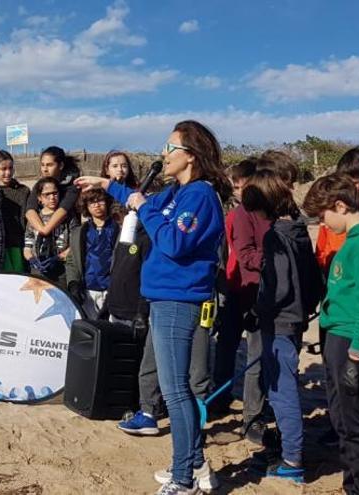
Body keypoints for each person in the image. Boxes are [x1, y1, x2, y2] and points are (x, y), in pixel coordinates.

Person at [76, 120, 229, 494]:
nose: (163, 153)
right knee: (175, 387)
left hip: (180, 301)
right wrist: (105, 185)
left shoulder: (200, 196)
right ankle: (196, 465)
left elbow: (175, 242)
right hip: (162, 298)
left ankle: (183, 479)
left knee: (175, 390)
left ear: (190, 155)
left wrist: (145, 207)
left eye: (170, 147)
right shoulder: (176, 192)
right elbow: (137, 202)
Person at [301, 174, 359, 495]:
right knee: (346, 423)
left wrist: (357, 353)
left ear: (340, 205)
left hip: (354, 342)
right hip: (341, 336)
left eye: (324, 216)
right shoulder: (355, 242)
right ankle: (354, 485)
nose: (323, 225)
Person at [242, 169, 323, 482]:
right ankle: (290, 451)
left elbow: (279, 287)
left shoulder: (277, 235)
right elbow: (313, 282)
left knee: (281, 393)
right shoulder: (299, 229)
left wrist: (258, 311)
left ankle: (292, 460)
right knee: (283, 388)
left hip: (280, 323)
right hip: (295, 318)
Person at [211, 158, 271, 445]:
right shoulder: (236, 215)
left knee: (256, 355)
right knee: (226, 346)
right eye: (234, 187)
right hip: (236, 288)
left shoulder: (267, 214)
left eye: (241, 185)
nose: (238, 191)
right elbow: (227, 252)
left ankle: (252, 415)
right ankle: (220, 398)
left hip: (261, 292)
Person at [315, 148, 359, 273]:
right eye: (344, 183)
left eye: (355, 183)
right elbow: (321, 249)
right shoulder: (334, 208)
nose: (349, 189)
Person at [66, 188, 118, 317]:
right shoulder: (79, 232)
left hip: (112, 291)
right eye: (91, 202)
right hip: (88, 291)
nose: (96, 205)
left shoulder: (119, 229)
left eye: (100, 201)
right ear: (86, 206)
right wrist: (73, 283)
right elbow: (72, 261)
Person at [24, 177, 75, 285]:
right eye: (47, 194)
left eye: (55, 193)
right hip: (38, 271)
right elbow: (27, 245)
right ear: (39, 198)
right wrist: (32, 260)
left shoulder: (68, 217)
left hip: (62, 270)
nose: (52, 197)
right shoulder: (35, 219)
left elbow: (75, 244)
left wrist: (58, 257)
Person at [0, 150, 30, 273]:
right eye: (3, 169)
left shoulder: (23, 191)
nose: (8, 172)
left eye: (10, 168)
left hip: (17, 245)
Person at [25, 146, 81, 239]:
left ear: (61, 166)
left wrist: (46, 230)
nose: (45, 169)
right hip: (44, 239)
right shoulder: (40, 185)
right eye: (42, 165)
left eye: (49, 165)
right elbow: (30, 210)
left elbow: (63, 210)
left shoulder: (72, 185)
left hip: (68, 238)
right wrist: (43, 230)